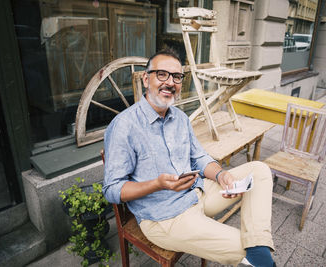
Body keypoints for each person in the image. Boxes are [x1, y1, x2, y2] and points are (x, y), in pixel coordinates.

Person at [102, 48, 275, 267]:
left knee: (259, 170)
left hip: (197, 193)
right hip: (165, 216)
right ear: (146, 79)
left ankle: (258, 246)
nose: (170, 82)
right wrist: (157, 184)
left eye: (176, 77)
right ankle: (259, 254)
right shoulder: (124, 126)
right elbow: (112, 190)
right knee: (246, 248)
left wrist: (221, 175)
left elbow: (199, 157)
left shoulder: (180, 118)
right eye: (162, 74)